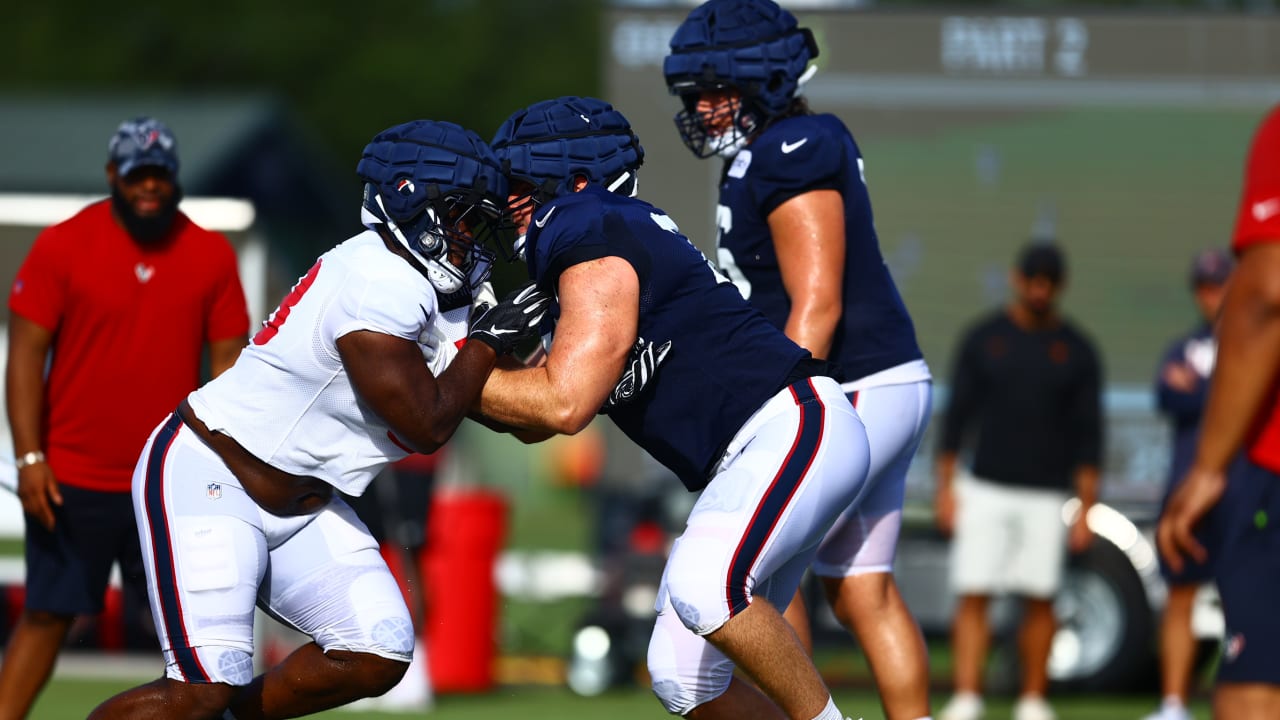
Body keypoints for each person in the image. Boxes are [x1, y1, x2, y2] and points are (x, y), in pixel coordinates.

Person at [86, 119, 552, 720]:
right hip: (213, 476)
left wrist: (570, 355)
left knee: (376, 649)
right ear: (411, 201)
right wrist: (488, 342)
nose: (469, 237)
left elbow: (529, 419)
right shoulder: (374, 278)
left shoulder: (441, 292)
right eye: (461, 218)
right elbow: (425, 425)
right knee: (198, 690)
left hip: (303, 503)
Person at [485, 95, 870, 720]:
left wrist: (445, 372)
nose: (509, 200)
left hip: (786, 422)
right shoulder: (597, 243)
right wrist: (462, 371)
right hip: (755, 447)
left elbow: (562, 404)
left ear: (576, 179)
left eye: (521, 182)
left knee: (706, 588)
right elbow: (532, 413)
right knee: (681, 678)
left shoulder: (587, 224)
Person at [662, 3, 934, 719]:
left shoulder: (793, 148)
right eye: (694, 94)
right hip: (879, 382)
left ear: (764, 80)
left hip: (855, 382)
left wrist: (761, 414)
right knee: (860, 589)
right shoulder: (772, 151)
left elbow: (817, 304)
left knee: (750, 579)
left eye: (715, 90)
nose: (701, 108)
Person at [1, 116, 250, 720]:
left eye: (160, 175)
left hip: (167, 481)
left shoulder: (210, 253)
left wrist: (222, 466)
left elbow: (229, 365)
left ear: (175, 180)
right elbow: (26, 356)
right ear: (113, 174)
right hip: (71, 477)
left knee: (186, 633)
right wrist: (30, 458)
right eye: (138, 174)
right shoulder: (63, 244)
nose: (150, 187)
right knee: (46, 616)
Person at [934, 242, 1103, 720]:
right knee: (974, 591)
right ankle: (968, 695)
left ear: (1060, 285)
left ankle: (1033, 699)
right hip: (985, 486)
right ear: (1016, 278)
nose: (1039, 289)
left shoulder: (1076, 350)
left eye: (1048, 281)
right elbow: (956, 421)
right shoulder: (986, 338)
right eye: (1033, 279)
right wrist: (947, 488)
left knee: (1041, 597)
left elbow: (1090, 437)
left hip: (1047, 494)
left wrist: (1086, 508)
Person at [1159, 104, 1280, 720]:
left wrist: (1209, 467)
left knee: (1256, 683)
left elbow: (1266, 293)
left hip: (1266, 469)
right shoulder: (1182, 345)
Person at [1143, 248, 1233, 720]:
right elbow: (1168, 395)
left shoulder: (1254, 342)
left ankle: (1238, 696)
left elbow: (1233, 398)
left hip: (1242, 489)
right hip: (1186, 490)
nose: (1212, 296)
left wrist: (1201, 387)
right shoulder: (1183, 347)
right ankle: (1174, 703)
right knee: (1180, 595)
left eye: (1220, 285)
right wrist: (1213, 389)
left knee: (1246, 596)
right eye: (1205, 286)